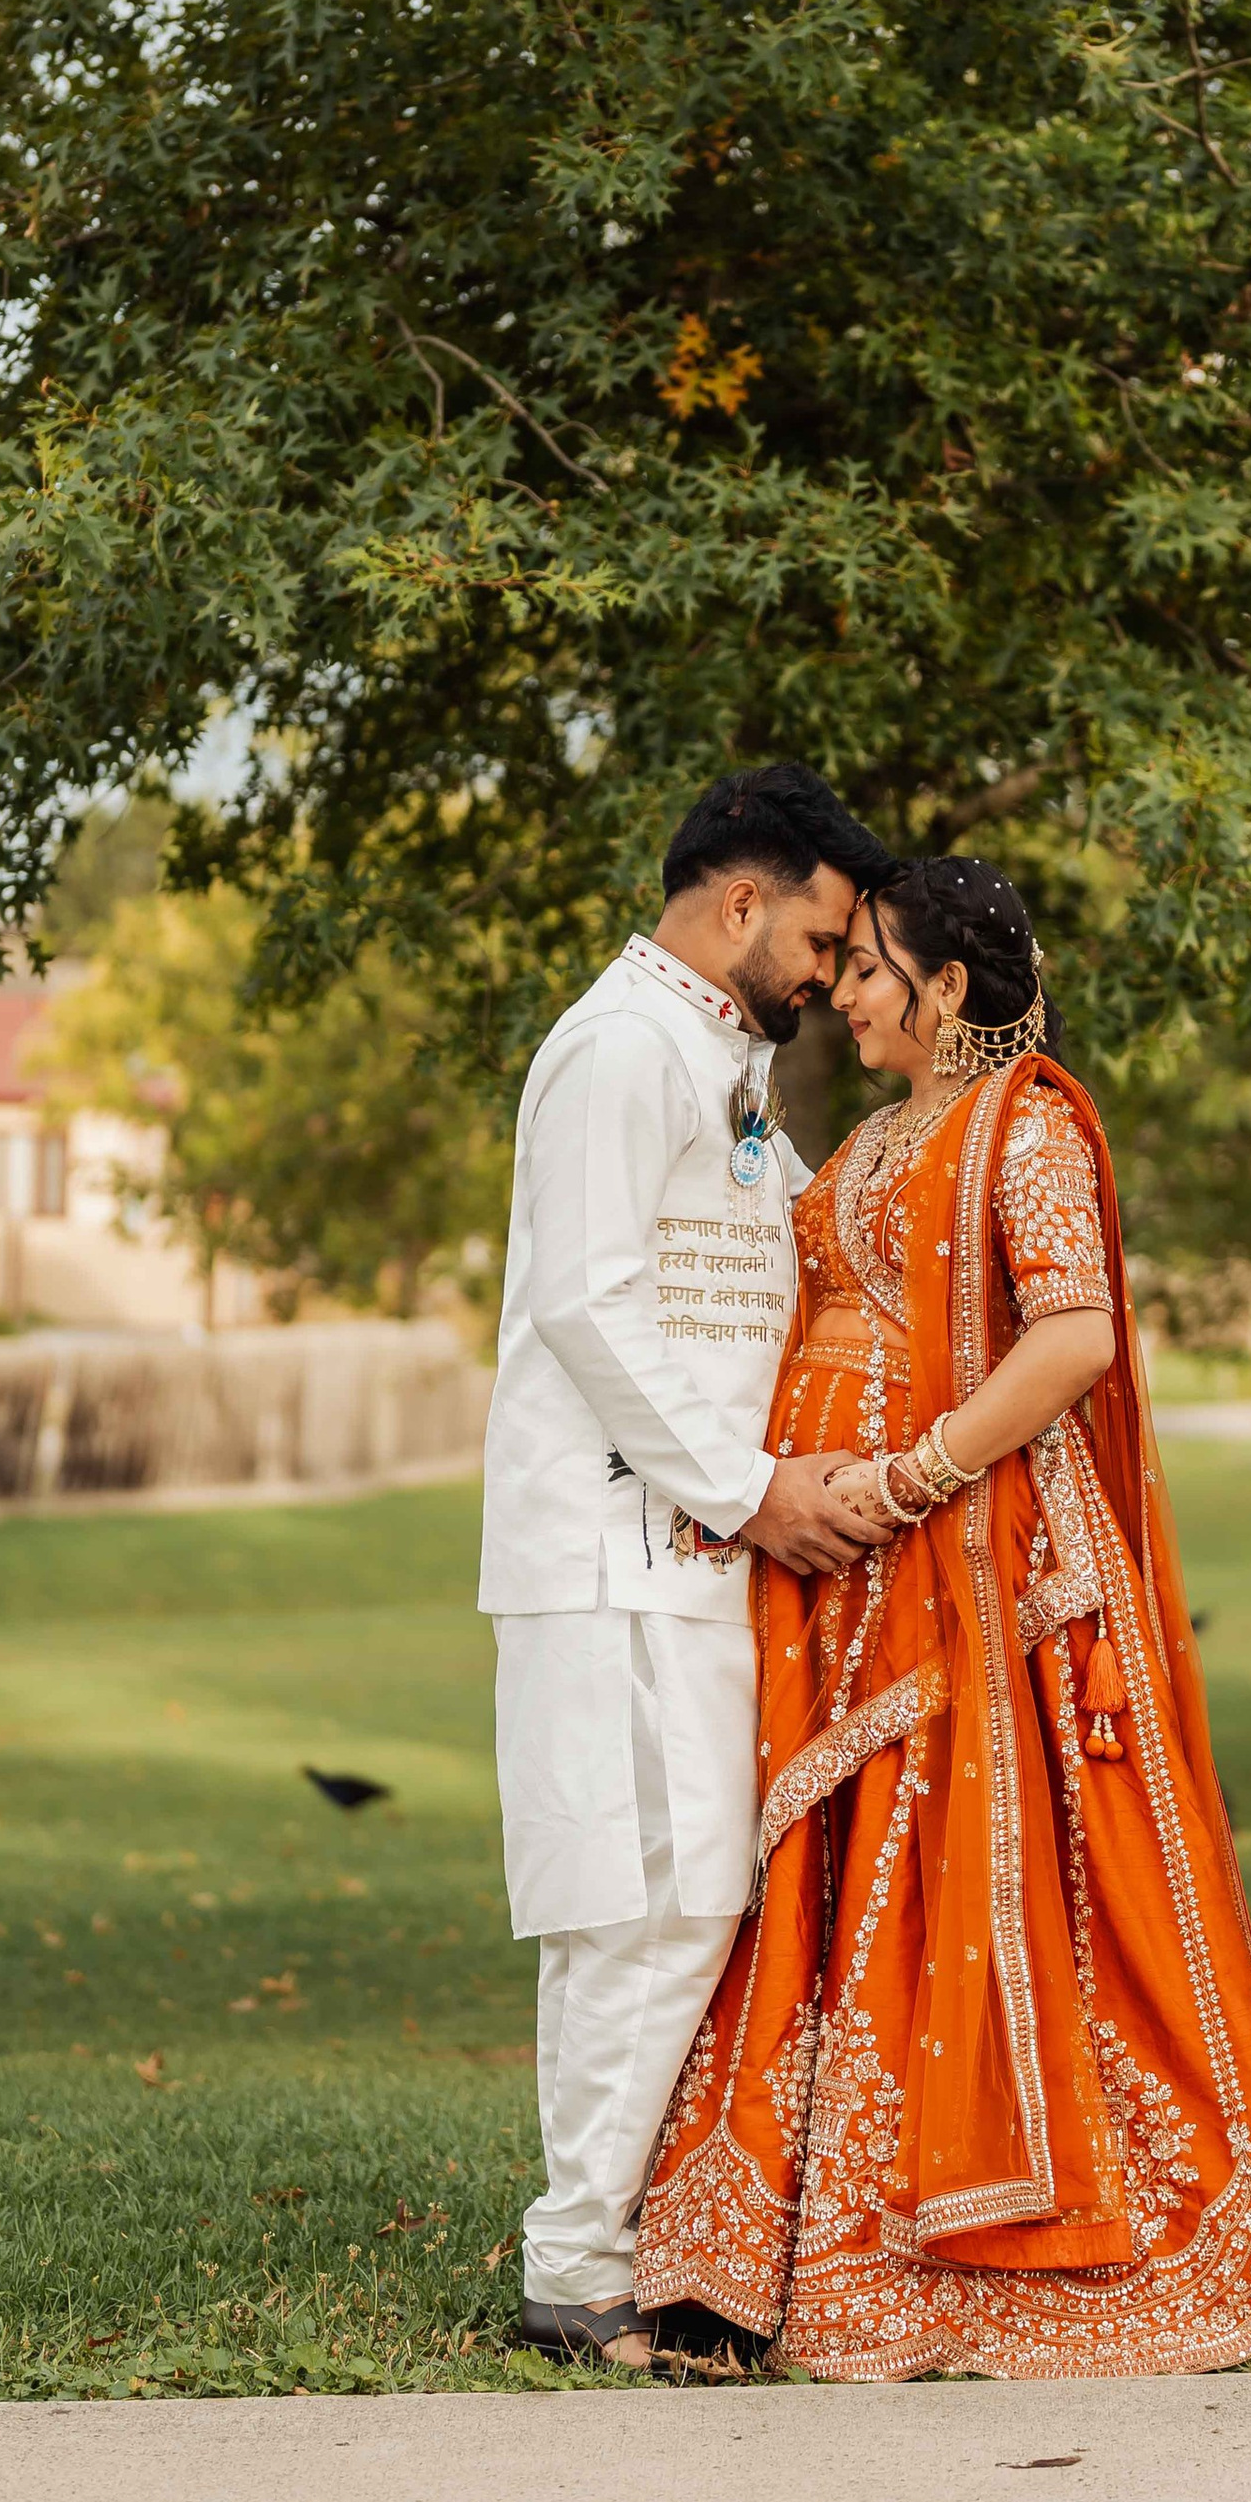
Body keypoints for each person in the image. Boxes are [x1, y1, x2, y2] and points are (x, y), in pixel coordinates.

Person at [634, 854, 1251, 2376]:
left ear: (949, 985)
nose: (842, 992)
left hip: (977, 1563)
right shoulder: (881, 1134)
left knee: (946, 1866)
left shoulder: (1023, 1124)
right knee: (834, 1881)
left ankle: (968, 2244)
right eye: (843, 965)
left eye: (868, 968)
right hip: (842, 1568)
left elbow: (1077, 1334)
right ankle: (761, 2252)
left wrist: (913, 1475)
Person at [483, 762, 897, 2366]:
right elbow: (585, 1304)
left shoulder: (720, 1064)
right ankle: (576, 2269)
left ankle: (618, 2246)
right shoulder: (616, 1051)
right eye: (821, 939)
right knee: (640, 1908)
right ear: (740, 903)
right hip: (614, 1549)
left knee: (675, 1900)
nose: (829, 975)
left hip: (689, 1552)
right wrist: (748, 1491)